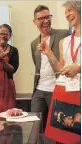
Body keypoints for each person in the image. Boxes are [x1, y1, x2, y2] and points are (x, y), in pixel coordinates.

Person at [37, 1, 81, 143]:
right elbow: (60, 68)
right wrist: (49, 53)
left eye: (70, 10)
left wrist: (79, 68)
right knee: (62, 138)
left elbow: (76, 67)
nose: (67, 14)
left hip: (79, 94)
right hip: (63, 92)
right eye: (65, 12)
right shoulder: (65, 41)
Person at [30, 5, 70, 137]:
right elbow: (38, 66)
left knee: (59, 129)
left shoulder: (63, 34)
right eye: (41, 18)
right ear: (35, 22)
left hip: (57, 88)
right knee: (35, 127)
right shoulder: (33, 43)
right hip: (39, 90)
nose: (46, 21)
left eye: (48, 17)